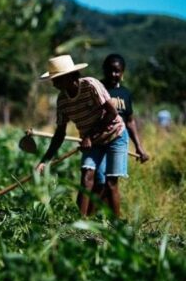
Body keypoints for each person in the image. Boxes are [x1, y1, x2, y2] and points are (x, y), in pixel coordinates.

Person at [35, 55, 126, 217]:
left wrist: (89, 136)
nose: (53, 83)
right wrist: (45, 160)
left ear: (69, 77)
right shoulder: (62, 100)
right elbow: (60, 133)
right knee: (86, 177)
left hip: (115, 135)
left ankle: (118, 227)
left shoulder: (91, 85)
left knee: (111, 183)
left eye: (56, 79)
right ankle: (80, 225)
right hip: (92, 142)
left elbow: (112, 112)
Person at [93, 54, 150, 209]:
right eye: (110, 71)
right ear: (104, 70)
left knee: (111, 182)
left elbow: (130, 121)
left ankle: (113, 223)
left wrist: (138, 146)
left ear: (122, 72)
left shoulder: (126, 94)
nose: (113, 74)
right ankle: (88, 221)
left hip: (118, 139)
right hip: (98, 139)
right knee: (98, 180)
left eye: (117, 71)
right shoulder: (97, 89)